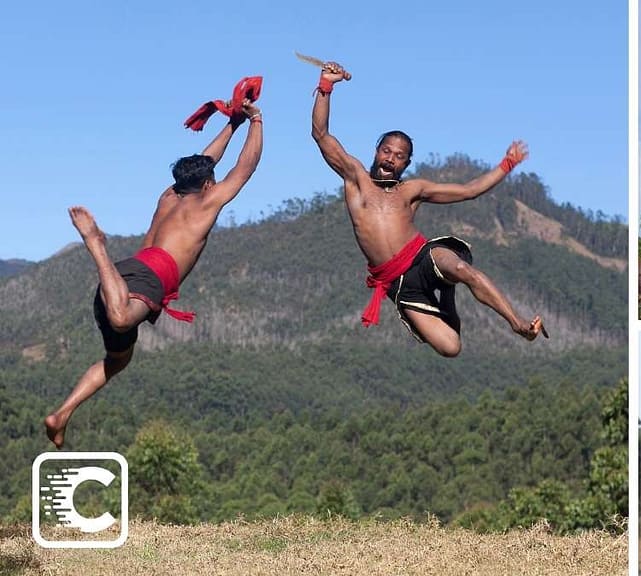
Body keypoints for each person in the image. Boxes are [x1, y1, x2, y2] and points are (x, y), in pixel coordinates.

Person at [44, 102, 264, 448]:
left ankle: (61, 414)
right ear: (209, 185)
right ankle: (97, 245)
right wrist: (256, 120)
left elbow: (205, 163)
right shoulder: (208, 202)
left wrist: (232, 124)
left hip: (126, 272)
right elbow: (245, 166)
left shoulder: (169, 194)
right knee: (120, 319)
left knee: (118, 359)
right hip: (151, 277)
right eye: (213, 179)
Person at [310, 60, 547, 357]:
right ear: (376, 151)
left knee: (463, 269)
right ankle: (447, 292)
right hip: (398, 282)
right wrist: (326, 86)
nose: (390, 159)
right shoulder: (356, 178)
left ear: (406, 164)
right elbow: (321, 134)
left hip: (423, 256)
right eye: (386, 151)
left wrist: (506, 164)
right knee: (451, 347)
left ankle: (518, 324)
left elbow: (469, 191)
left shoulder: (412, 190)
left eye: (399, 156)